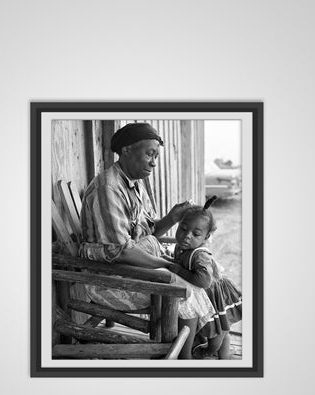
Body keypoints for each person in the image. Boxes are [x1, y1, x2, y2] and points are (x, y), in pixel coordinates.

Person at [78, 122, 215, 359]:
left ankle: (185, 350)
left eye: (157, 156)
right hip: (109, 278)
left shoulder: (133, 184)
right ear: (127, 150)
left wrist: (172, 217)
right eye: (150, 154)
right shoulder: (109, 188)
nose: (154, 162)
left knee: (194, 282)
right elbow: (122, 251)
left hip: (131, 268)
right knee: (184, 286)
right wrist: (168, 265)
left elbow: (148, 234)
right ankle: (181, 357)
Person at [165, 196, 242, 359]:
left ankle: (215, 353)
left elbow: (203, 280)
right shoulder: (181, 246)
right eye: (183, 229)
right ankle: (222, 356)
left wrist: (179, 270)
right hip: (208, 295)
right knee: (222, 330)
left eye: (195, 234)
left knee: (218, 334)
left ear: (205, 238)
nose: (187, 236)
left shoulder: (200, 255)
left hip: (217, 297)